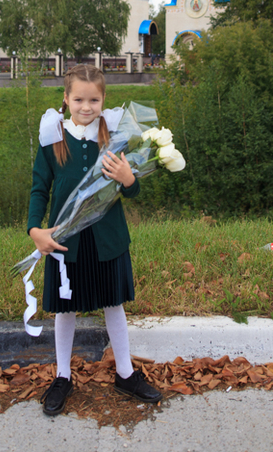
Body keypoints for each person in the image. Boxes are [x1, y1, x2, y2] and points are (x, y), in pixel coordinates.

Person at [28, 64, 162, 416]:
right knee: (65, 307)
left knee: (113, 304)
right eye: (78, 100)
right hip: (65, 240)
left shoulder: (115, 136)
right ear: (66, 99)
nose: (86, 107)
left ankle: (125, 373)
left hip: (108, 237)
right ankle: (62, 376)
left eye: (93, 100)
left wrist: (129, 179)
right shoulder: (52, 136)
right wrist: (34, 229)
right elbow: (39, 188)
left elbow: (131, 192)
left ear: (103, 100)